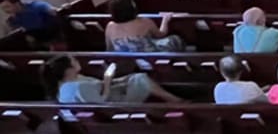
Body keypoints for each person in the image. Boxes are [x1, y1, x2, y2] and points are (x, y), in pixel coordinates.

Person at [43, 54, 183, 104]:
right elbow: (102, 103)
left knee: (132, 77)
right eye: (73, 61)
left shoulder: (66, 83)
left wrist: (117, 80)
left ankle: (173, 100)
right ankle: (176, 101)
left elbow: (98, 86)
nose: (77, 61)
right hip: (115, 104)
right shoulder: (77, 87)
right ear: (68, 69)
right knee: (141, 79)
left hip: (113, 92)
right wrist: (108, 80)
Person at [104, 0, 183, 52]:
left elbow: (110, 49)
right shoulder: (144, 21)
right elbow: (161, 34)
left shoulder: (110, 27)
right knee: (175, 39)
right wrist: (165, 20)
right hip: (152, 58)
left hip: (127, 64)